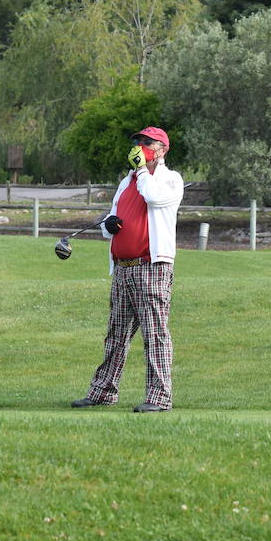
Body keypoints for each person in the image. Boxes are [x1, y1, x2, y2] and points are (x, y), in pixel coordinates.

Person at [72, 126, 184, 412]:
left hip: (152, 266)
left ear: (162, 149)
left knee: (154, 333)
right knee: (116, 335)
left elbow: (154, 198)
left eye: (147, 143)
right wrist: (109, 226)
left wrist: (143, 171)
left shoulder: (170, 180)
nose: (140, 147)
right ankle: (103, 392)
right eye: (137, 142)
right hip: (123, 268)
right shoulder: (126, 182)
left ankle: (160, 397)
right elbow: (112, 222)